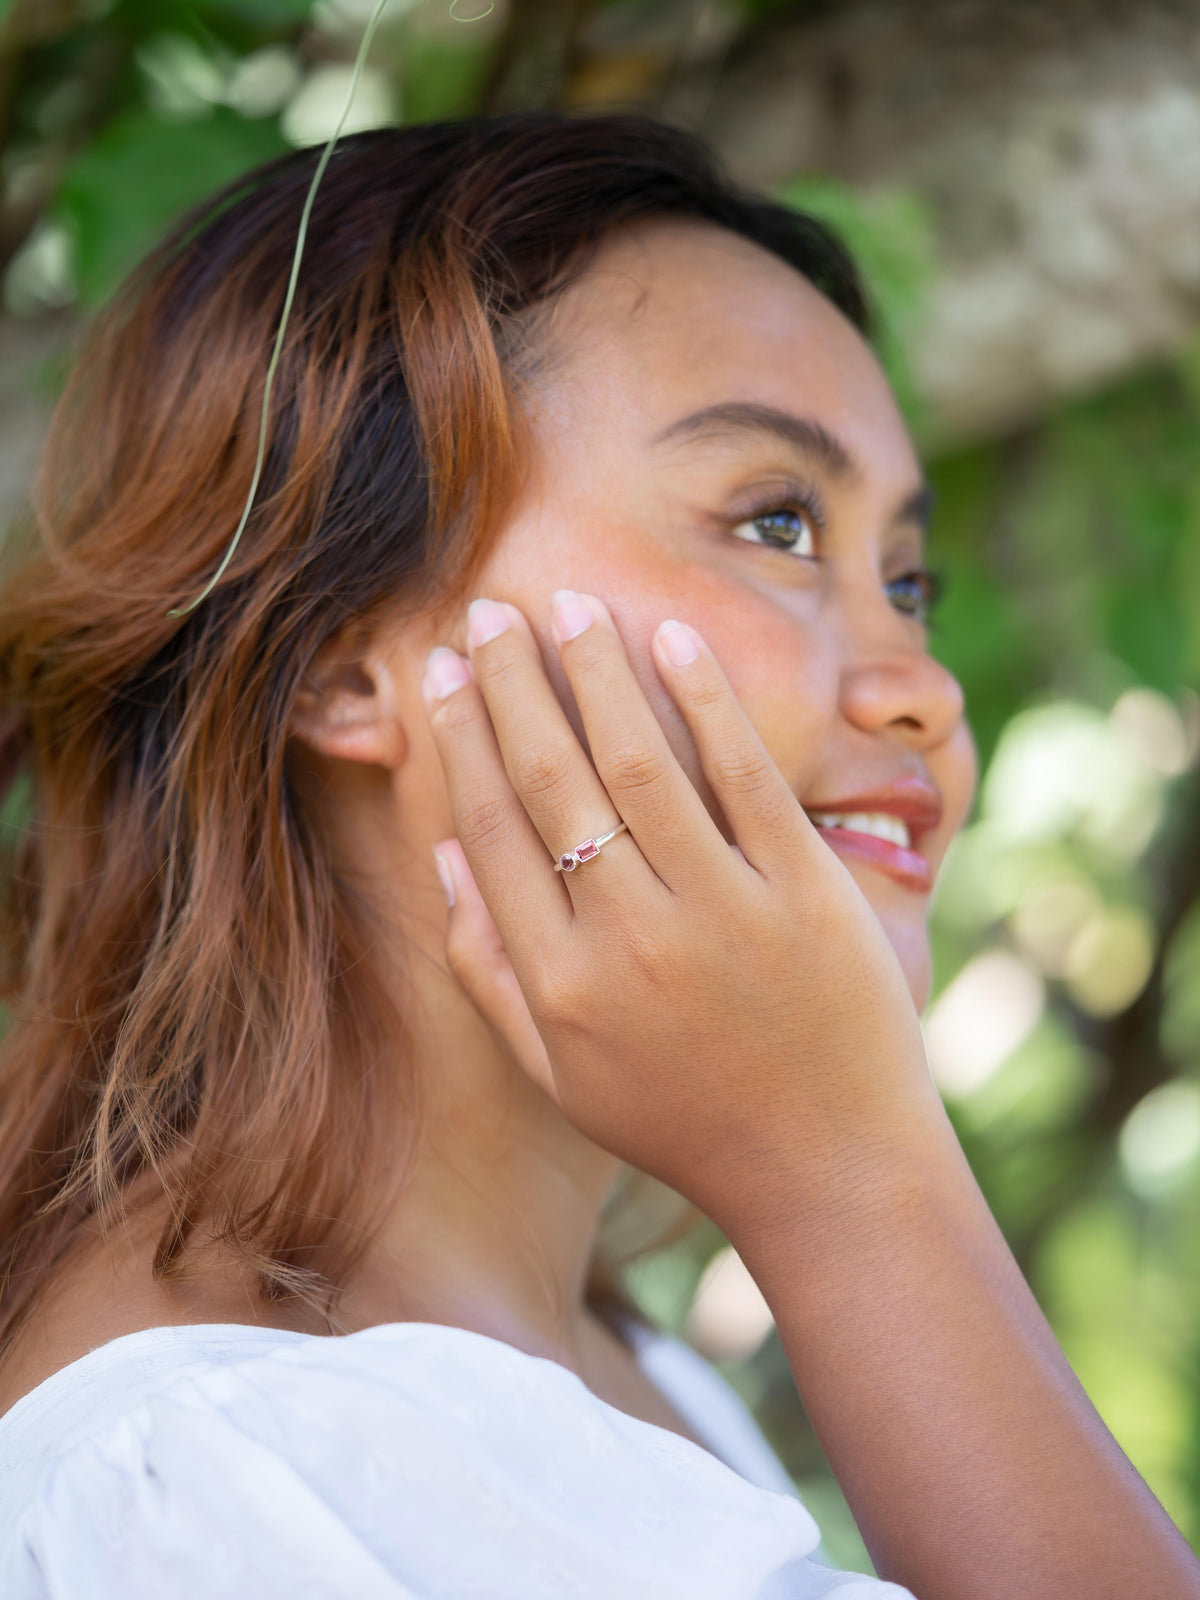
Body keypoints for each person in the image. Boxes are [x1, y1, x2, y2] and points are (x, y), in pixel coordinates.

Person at [0, 111, 1192, 1600]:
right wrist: (851, 1182)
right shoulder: (236, 1479)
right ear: (341, 660)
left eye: (907, 577)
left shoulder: (628, 1375)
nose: (923, 688)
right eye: (776, 521)